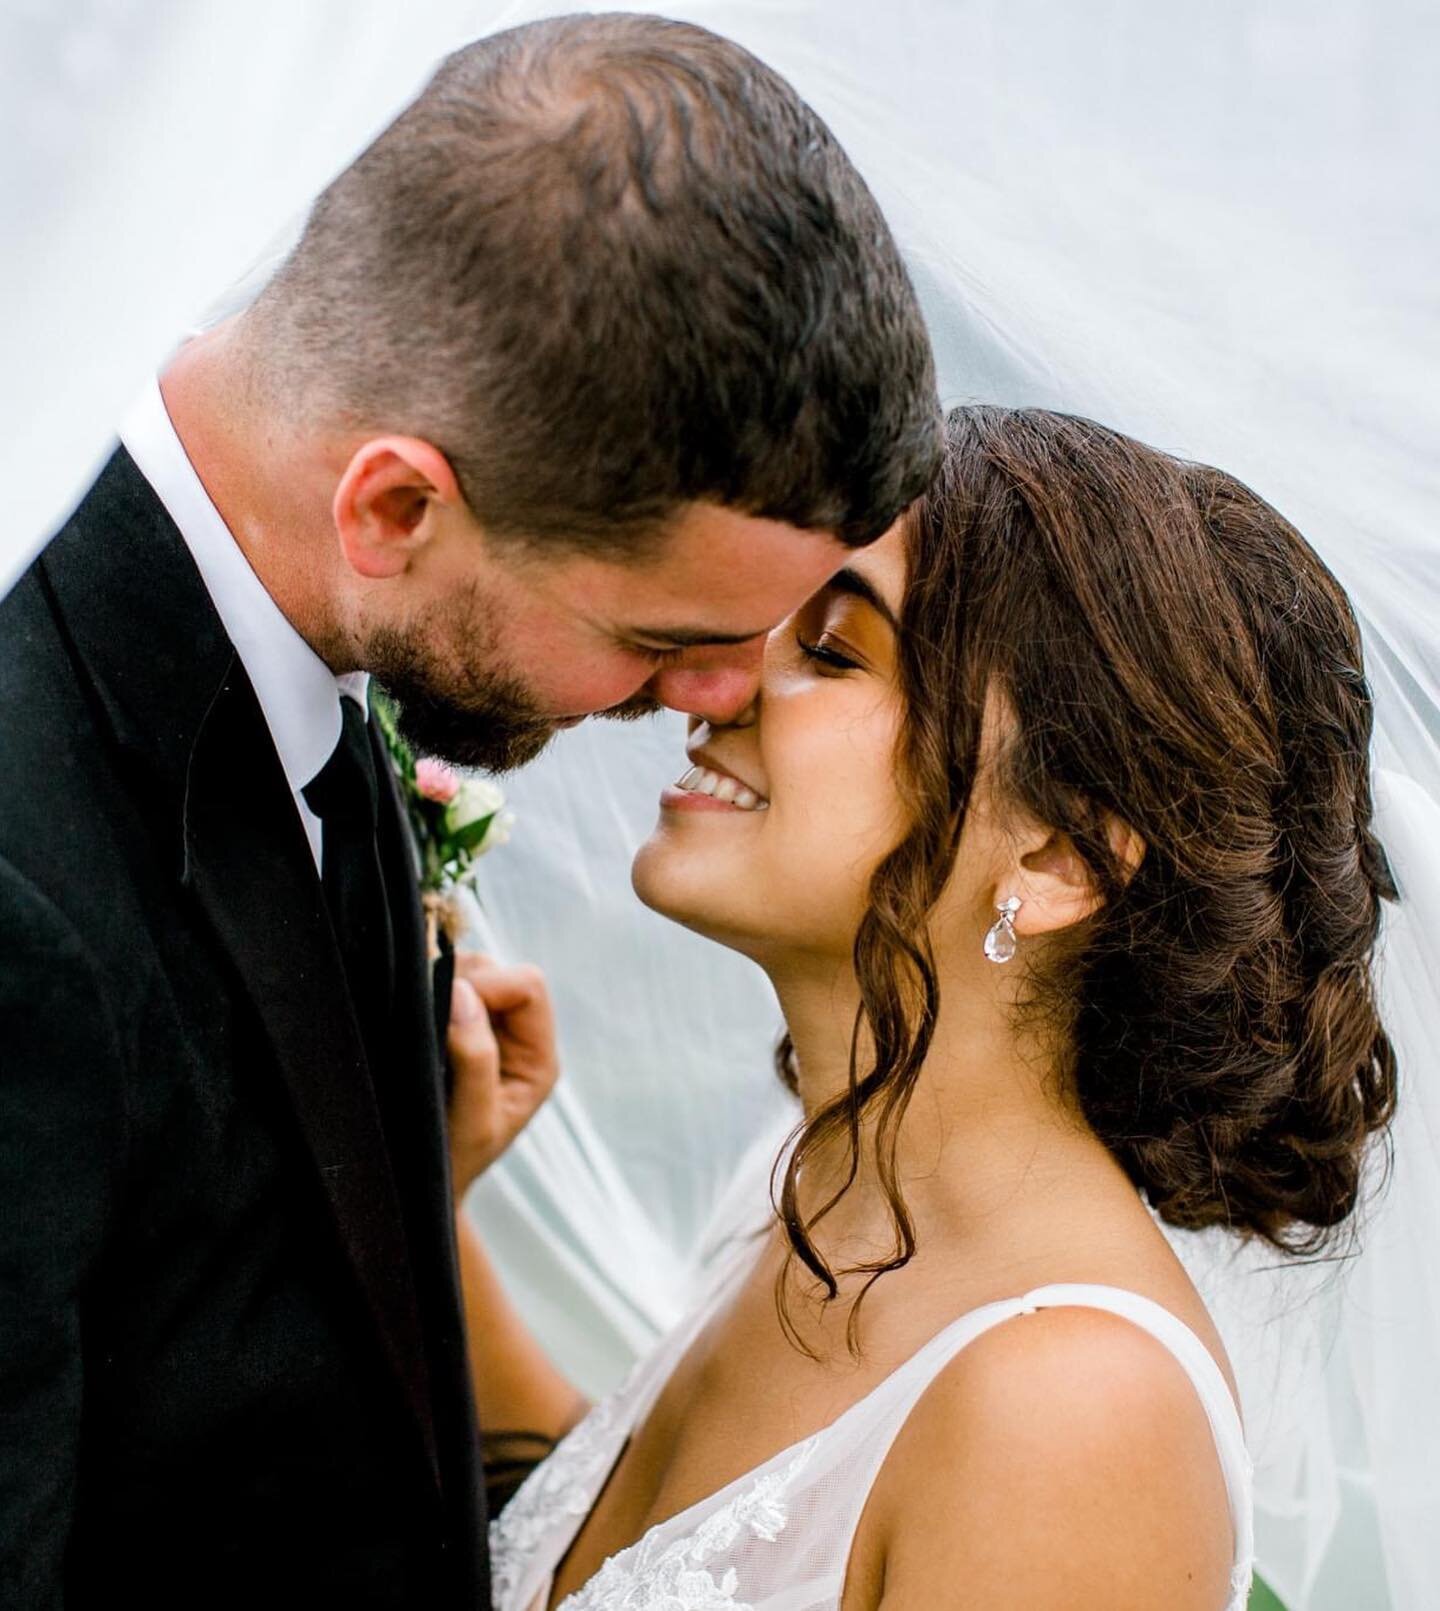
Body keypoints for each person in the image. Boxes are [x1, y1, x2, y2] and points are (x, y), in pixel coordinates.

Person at [0, 15, 940, 1608]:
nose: (721, 697)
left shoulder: (311, 681)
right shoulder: (22, 869)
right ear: (394, 506)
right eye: (661, 639)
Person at [449, 405, 1398, 1611]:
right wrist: (435, 1204)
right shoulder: (812, 1197)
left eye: (836, 651)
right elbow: (654, 1563)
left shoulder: (1070, 1414)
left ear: (1061, 860)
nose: (710, 678)